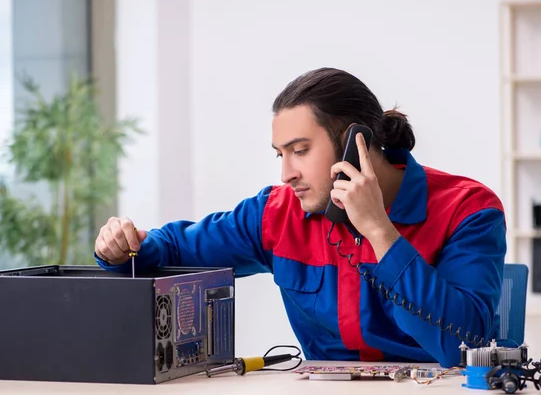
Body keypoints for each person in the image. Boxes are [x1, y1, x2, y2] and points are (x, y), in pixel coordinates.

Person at [94, 67, 506, 368]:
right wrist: (123, 248)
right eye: (280, 154)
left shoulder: (468, 210)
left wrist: (380, 231)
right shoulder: (277, 212)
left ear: (354, 142)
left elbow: (463, 345)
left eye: (300, 150)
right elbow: (176, 248)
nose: (286, 173)